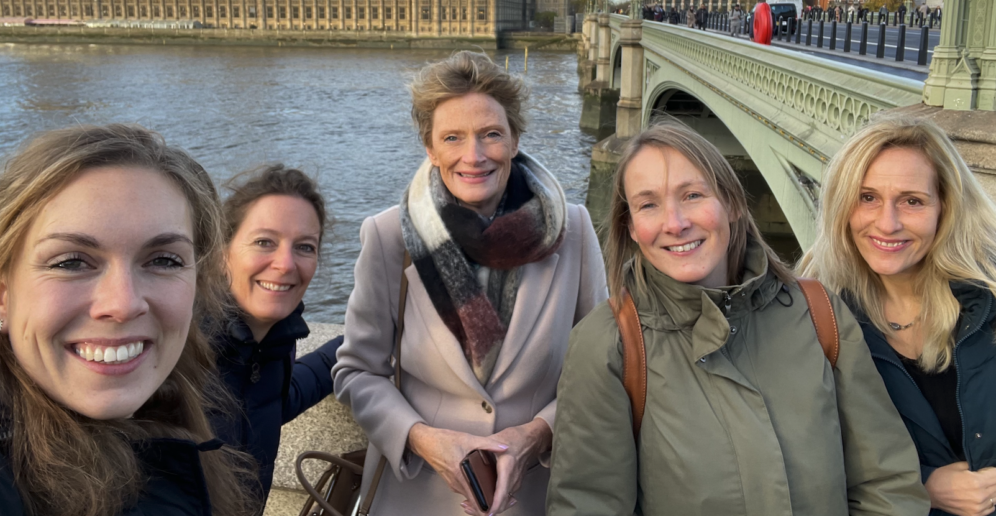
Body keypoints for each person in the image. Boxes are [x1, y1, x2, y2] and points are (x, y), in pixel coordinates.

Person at [547, 121, 929, 516]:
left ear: (732, 203)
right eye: (648, 204)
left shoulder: (819, 313)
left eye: (692, 195)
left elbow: (886, 482)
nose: (675, 223)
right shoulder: (609, 344)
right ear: (631, 227)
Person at [333, 51, 607, 516]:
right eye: (453, 138)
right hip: (416, 496)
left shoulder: (574, 230)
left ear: (515, 139)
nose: (473, 156)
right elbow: (357, 371)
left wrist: (536, 435)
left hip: (538, 496)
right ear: (430, 148)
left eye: (491, 135)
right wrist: (423, 440)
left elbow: (601, 370)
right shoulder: (388, 237)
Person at [0, 124, 259, 516]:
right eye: (71, 261)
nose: (122, 304)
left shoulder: (174, 412)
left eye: (163, 260)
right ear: (0, 295)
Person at [799, 116, 996, 516]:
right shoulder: (814, 320)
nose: (887, 223)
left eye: (912, 201)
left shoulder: (988, 303)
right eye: (867, 197)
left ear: (946, 207)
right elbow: (800, 458)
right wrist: (923, 484)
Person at [213, 165, 343, 506]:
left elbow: (272, 399)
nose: (285, 263)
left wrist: (361, 342)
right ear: (222, 252)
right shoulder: (177, 354)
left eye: (304, 247)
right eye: (264, 242)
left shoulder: (270, 348)